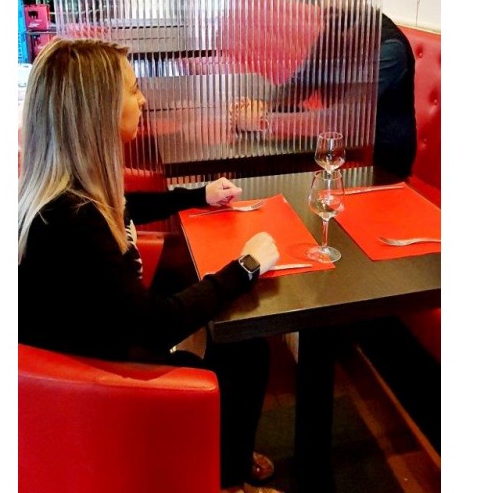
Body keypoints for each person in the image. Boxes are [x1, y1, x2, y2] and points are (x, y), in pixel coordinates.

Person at [18, 37, 283, 493]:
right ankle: (227, 478)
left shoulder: (68, 192)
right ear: (98, 111)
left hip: (88, 343)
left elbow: (127, 205)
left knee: (220, 318)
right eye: (133, 90)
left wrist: (197, 195)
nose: (142, 100)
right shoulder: (73, 220)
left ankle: (227, 448)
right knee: (247, 348)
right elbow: (154, 326)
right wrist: (245, 267)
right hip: (97, 378)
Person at [232, 0, 417, 179]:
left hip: (378, 162)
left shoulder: (388, 47)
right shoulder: (335, 30)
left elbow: (344, 117)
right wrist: (263, 105)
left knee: (263, 158)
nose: (326, 3)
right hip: (339, 143)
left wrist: (264, 120)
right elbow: (301, 82)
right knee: (253, 155)